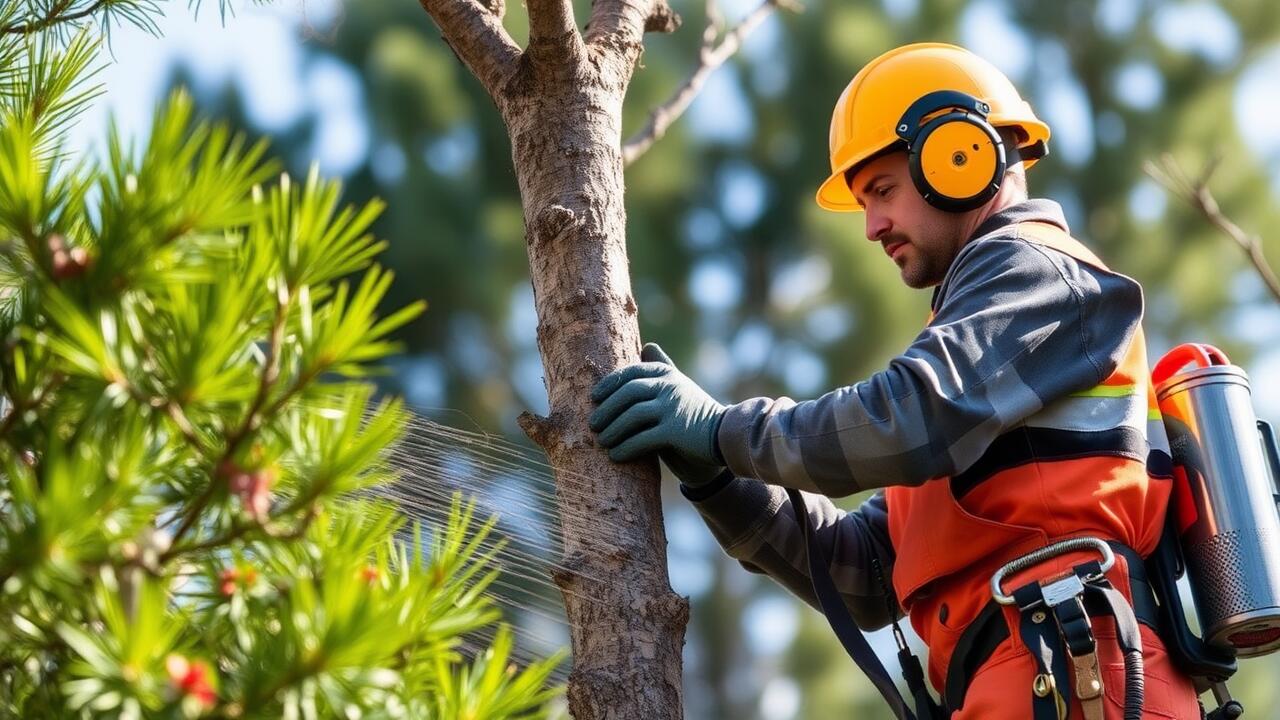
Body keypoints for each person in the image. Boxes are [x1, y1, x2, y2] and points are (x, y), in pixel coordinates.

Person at [588, 43, 1203, 718]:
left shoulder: (1033, 270)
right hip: (1033, 676)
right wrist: (717, 478)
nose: (872, 226)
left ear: (960, 156)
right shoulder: (977, 374)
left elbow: (908, 415)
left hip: (1079, 672)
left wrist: (722, 429)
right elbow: (867, 574)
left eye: (882, 191)